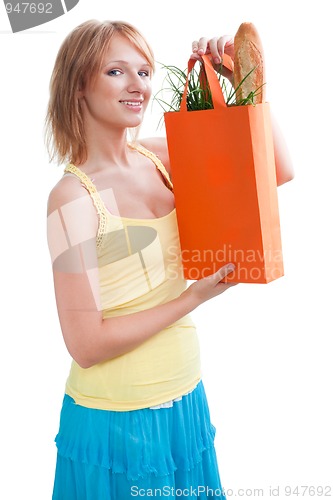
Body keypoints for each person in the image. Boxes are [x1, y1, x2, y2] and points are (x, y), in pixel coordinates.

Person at [46, 19, 294, 500]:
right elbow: (87, 344)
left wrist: (244, 88)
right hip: (116, 418)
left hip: (185, 400)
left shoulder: (161, 156)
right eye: (116, 71)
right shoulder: (71, 198)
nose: (138, 84)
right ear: (79, 84)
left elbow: (278, 170)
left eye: (143, 70)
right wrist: (194, 298)